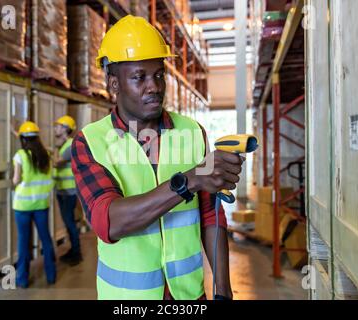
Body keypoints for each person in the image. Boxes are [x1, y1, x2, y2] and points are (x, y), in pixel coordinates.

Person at [71, 15, 243, 300]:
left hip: (188, 295)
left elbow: (211, 213)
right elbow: (108, 222)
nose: (154, 86)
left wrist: (223, 291)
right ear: (114, 85)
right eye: (139, 77)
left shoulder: (191, 131)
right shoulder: (90, 142)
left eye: (159, 74)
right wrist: (191, 179)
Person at [12, 121, 56, 288]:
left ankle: (22, 279)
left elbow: (16, 180)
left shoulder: (20, 155)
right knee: (46, 239)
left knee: (23, 242)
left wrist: (13, 181)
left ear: (23, 138)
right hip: (41, 204)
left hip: (23, 207)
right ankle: (51, 275)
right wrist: (17, 132)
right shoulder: (46, 155)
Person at [53, 115, 83, 266]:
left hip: (68, 191)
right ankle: (73, 250)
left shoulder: (70, 145)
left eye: (58, 126)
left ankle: (76, 253)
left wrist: (53, 150)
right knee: (68, 221)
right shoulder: (65, 145)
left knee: (70, 222)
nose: (55, 128)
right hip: (63, 190)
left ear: (66, 129)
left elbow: (56, 163)